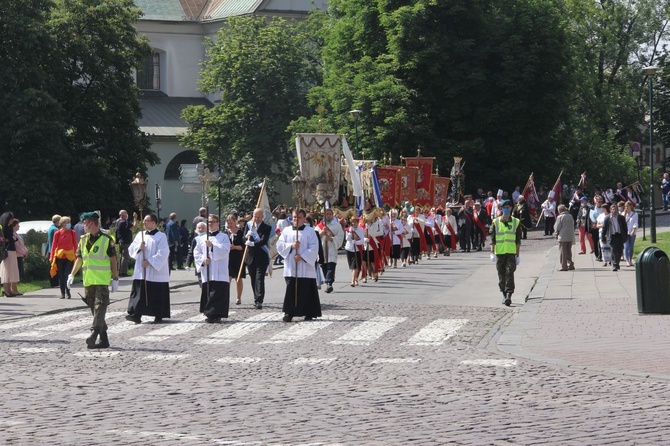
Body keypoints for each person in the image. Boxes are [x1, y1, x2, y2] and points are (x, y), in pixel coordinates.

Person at [67, 212, 119, 349]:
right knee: (95, 311)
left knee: (100, 307)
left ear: (91, 223)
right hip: (88, 281)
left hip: (102, 281)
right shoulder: (83, 239)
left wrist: (115, 278)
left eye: (84, 223)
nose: (83, 226)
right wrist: (71, 274)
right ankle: (104, 340)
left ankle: (94, 334)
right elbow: (79, 259)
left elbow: (113, 260)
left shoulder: (108, 239)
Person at [276, 209, 322, 322]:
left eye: (299, 217)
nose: (296, 219)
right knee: (291, 289)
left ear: (304, 218)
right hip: (291, 266)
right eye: (294, 217)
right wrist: (291, 246)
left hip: (306, 267)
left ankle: (309, 312)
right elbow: (280, 245)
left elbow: (314, 247)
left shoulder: (310, 231)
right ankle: (289, 312)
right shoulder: (286, 230)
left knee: (307, 290)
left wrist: (302, 257)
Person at [125, 213, 171, 324]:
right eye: (143, 221)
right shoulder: (140, 235)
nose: (144, 223)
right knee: (139, 293)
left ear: (153, 223)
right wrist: (139, 248)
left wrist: (149, 262)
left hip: (156, 271)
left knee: (156, 293)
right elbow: (131, 249)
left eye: (146, 221)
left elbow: (164, 252)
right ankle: (136, 314)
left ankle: (158, 314)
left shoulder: (161, 236)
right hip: (141, 271)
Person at [194, 214, 231, 323]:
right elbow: (197, 252)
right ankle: (209, 313)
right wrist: (203, 260)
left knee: (218, 293)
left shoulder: (224, 237)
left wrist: (212, 246)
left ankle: (217, 313)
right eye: (209, 222)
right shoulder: (201, 238)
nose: (210, 224)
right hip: (207, 270)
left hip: (220, 271)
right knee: (209, 292)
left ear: (218, 223)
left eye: (213, 222)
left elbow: (225, 251)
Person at [490, 200, 522, 307]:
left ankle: (509, 295)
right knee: (501, 274)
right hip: (499, 252)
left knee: (509, 273)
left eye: (508, 207)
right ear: (501, 209)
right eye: (504, 207)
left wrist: (518, 255)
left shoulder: (516, 222)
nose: (506, 209)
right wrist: (492, 252)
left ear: (511, 208)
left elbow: (518, 240)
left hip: (511, 252)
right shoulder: (496, 222)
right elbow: (492, 239)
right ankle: (503, 294)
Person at [244, 208, 272, 309]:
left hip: (261, 256)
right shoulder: (249, 225)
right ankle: (255, 297)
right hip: (250, 256)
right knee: (253, 278)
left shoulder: (266, 227)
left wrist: (253, 243)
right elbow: (244, 238)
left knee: (259, 278)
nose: (256, 219)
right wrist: (247, 236)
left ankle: (259, 300)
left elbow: (264, 241)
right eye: (255, 216)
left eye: (258, 217)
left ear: (262, 217)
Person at [316, 206, 344, 293]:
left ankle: (329, 283)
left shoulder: (337, 225)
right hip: (323, 250)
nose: (328, 216)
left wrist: (331, 239)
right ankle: (328, 279)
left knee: (331, 266)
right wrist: (321, 233)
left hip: (332, 249)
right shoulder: (319, 226)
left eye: (330, 214)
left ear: (332, 215)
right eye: (326, 214)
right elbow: (314, 237)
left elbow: (340, 236)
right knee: (324, 266)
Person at [50, 216, 78, 299]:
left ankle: (68, 291)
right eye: (67, 222)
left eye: (69, 222)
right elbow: (54, 245)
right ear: (62, 224)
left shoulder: (72, 232)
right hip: (60, 256)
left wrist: (77, 255)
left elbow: (75, 244)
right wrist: (51, 257)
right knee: (61, 275)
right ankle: (62, 293)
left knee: (67, 274)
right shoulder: (57, 233)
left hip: (69, 256)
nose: (69, 224)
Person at [601, 204, 627, 272]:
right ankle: (614, 264)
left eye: (615, 209)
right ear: (610, 210)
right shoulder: (607, 218)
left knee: (619, 250)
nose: (614, 210)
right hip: (612, 236)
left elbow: (625, 228)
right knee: (614, 250)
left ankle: (617, 262)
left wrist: (625, 236)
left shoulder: (621, 218)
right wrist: (603, 237)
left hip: (620, 236)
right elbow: (604, 228)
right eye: (613, 209)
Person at [226, 215, 245, 305]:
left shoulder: (241, 233)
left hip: (238, 257)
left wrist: (235, 247)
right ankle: (225, 297)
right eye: (228, 223)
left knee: (238, 278)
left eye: (231, 223)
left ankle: (238, 298)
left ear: (235, 222)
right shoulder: (226, 233)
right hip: (228, 258)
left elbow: (244, 247)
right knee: (228, 278)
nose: (230, 225)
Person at [0, 214, 20, 297]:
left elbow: (12, 239)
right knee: (6, 271)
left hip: (12, 249)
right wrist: (12, 239)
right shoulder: (4, 228)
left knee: (11, 270)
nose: (12, 220)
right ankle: (6, 290)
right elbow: (6, 239)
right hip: (6, 251)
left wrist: (12, 239)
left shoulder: (9, 228)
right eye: (11, 219)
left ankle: (9, 290)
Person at [344, 216, 365, 285]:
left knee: (355, 265)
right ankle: (355, 279)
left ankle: (352, 281)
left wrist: (356, 242)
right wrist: (350, 232)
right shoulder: (348, 229)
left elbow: (362, 240)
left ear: (357, 222)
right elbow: (347, 239)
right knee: (352, 266)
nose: (354, 223)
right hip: (349, 249)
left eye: (355, 222)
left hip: (357, 249)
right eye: (352, 222)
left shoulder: (361, 229)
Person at [554, 205, 575, 271]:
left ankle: (564, 266)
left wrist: (556, 233)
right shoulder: (570, 216)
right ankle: (570, 264)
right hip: (570, 236)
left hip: (563, 236)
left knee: (563, 252)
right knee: (569, 251)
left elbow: (557, 227)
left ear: (559, 210)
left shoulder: (560, 217)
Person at [115, 210, 136, 277]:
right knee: (126, 257)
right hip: (126, 241)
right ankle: (123, 272)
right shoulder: (124, 222)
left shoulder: (118, 221)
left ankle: (119, 271)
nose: (127, 214)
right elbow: (134, 227)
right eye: (125, 213)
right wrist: (135, 218)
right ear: (122, 215)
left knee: (121, 257)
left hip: (121, 241)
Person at [47, 214, 61, 287]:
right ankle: (55, 283)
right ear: (57, 221)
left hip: (50, 250)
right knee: (55, 267)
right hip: (55, 250)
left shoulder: (50, 228)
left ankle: (53, 282)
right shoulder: (55, 229)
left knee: (52, 266)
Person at [623, 201, 638, 267]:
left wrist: (633, 230)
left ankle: (630, 259)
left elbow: (635, 223)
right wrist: (625, 213)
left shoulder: (635, 214)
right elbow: (622, 222)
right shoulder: (623, 214)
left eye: (628, 206)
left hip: (632, 232)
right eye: (626, 206)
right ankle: (627, 260)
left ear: (631, 206)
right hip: (625, 232)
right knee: (626, 246)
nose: (627, 207)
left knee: (631, 247)